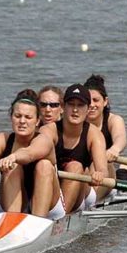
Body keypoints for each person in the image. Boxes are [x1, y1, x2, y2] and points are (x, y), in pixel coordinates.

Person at [0, 90, 65, 220]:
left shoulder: (44, 140)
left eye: (28, 117)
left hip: (48, 207)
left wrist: (13, 157)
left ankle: (38, 222)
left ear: (37, 121)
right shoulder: (1, 139)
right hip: (11, 202)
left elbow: (29, 154)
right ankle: (11, 223)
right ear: (11, 117)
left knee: (44, 165)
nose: (22, 121)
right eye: (17, 116)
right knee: (13, 167)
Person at [40, 83, 109, 212]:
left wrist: (99, 174)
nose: (75, 110)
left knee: (75, 166)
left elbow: (103, 169)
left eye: (80, 105)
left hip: (82, 194)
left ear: (88, 109)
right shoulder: (48, 131)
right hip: (52, 188)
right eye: (71, 104)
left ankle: (60, 221)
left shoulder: (94, 135)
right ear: (63, 107)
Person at [84, 73, 127, 179]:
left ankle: (123, 173)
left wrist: (115, 149)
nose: (91, 105)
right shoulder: (75, 121)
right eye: (88, 100)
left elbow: (120, 138)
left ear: (105, 101)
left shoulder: (113, 120)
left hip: (104, 172)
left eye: (96, 100)